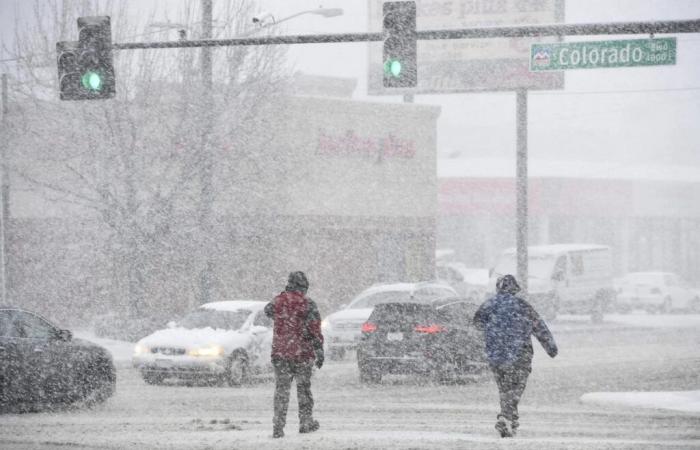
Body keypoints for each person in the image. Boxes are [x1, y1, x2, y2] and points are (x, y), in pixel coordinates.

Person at [473, 274, 558, 438]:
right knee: (516, 389)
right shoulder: (522, 306)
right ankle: (505, 417)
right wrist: (551, 348)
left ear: (498, 288)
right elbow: (540, 327)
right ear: (514, 289)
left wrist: (490, 338)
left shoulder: (488, 306)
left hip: (496, 356)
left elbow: (476, 325)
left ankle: (511, 421)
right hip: (520, 354)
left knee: (505, 389)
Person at [264, 271, 324, 439]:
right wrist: (319, 350)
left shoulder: (278, 302)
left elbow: (267, 310)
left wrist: (283, 299)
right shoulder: (308, 304)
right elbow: (315, 329)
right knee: (304, 389)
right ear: (304, 287)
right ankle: (305, 422)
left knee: (281, 391)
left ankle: (278, 426)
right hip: (302, 354)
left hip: (280, 353)